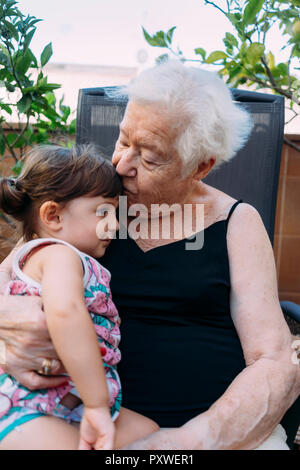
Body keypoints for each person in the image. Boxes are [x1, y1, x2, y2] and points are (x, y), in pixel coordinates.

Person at [0, 60, 299, 450]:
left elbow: (272, 361)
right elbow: (12, 279)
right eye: (124, 140)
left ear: (201, 166)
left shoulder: (237, 223)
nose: (121, 164)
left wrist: (192, 440)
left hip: (210, 434)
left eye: (150, 157)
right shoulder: (82, 209)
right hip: (73, 424)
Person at [0, 144, 159, 450]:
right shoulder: (59, 255)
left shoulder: (63, 255)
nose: (114, 224)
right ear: (53, 215)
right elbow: (66, 313)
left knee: (150, 434)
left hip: (64, 405)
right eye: (104, 212)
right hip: (25, 407)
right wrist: (97, 404)